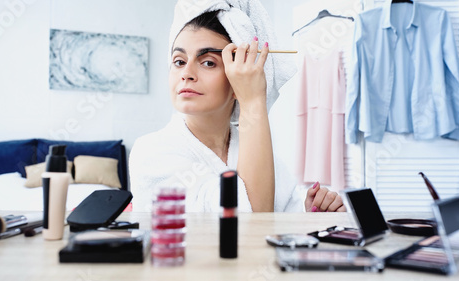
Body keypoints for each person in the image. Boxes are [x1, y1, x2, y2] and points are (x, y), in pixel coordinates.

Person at [129, 0, 346, 213]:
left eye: (208, 62)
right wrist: (252, 101)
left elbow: (277, 220)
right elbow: (249, 223)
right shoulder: (150, 153)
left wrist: (306, 215)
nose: (186, 73)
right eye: (179, 61)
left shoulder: (254, 149)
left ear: (238, 80)